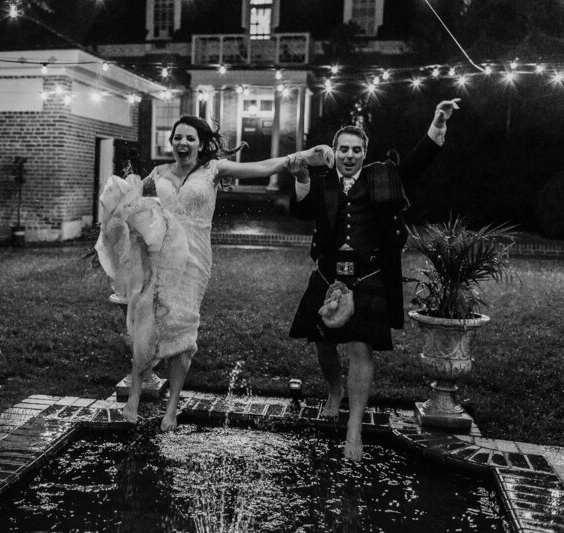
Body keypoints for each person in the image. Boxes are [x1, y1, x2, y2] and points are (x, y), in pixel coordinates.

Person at [96, 115, 333, 432]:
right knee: (145, 321)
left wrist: (303, 157)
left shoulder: (214, 169)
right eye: (178, 137)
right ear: (172, 142)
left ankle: (172, 409)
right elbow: (134, 203)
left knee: (182, 327)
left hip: (194, 259)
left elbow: (263, 167)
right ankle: (135, 397)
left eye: (190, 138)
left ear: (201, 143)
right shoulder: (159, 173)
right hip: (161, 256)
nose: (183, 143)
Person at [287, 99, 461, 461]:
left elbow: (416, 163)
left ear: (365, 152)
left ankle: (354, 428)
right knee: (323, 343)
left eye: (356, 150)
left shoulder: (381, 176)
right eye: (343, 149)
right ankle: (335, 390)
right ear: (334, 152)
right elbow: (302, 212)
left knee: (360, 347)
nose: (349, 155)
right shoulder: (323, 182)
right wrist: (302, 178)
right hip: (327, 273)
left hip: (369, 274)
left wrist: (438, 122)